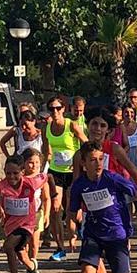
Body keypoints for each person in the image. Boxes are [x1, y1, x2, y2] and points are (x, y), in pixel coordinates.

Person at [69, 141, 137, 273]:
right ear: (83, 163)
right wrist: (72, 231)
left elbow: (135, 191)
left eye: (101, 159)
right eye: (93, 160)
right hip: (92, 233)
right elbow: (72, 211)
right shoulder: (79, 185)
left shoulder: (112, 178)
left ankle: (120, 260)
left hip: (117, 233)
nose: (98, 164)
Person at [0, 156, 41, 273]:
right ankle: (32, 268)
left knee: (8, 247)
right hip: (10, 227)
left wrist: (52, 194)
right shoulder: (1, 187)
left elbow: (48, 177)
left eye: (15, 173)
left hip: (27, 225)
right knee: (20, 253)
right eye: (8, 173)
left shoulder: (31, 183)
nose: (11, 177)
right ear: (4, 171)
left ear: (22, 171)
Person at [44, 95, 86, 261]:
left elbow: (86, 143)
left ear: (63, 110)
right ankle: (60, 248)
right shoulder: (46, 128)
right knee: (55, 209)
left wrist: (81, 163)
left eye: (57, 108)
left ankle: (81, 239)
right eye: (51, 109)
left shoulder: (71, 125)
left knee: (72, 211)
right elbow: (46, 151)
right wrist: (42, 171)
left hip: (73, 172)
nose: (55, 111)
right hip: (56, 171)